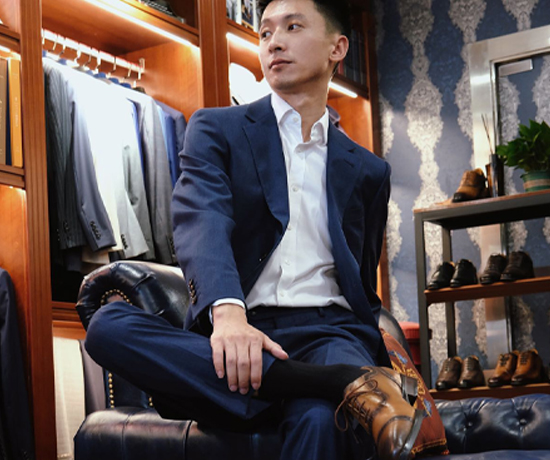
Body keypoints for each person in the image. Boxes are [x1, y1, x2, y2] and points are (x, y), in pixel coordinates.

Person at [84, 1, 424, 459]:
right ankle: (337, 383)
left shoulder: (368, 170)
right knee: (107, 326)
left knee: (320, 418)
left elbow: (360, 274)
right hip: (242, 328)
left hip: (329, 333)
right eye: (265, 33)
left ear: (337, 48)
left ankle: (312, 380)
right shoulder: (217, 129)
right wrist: (228, 315)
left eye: (293, 27)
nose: (274, 42)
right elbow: (201, 218)